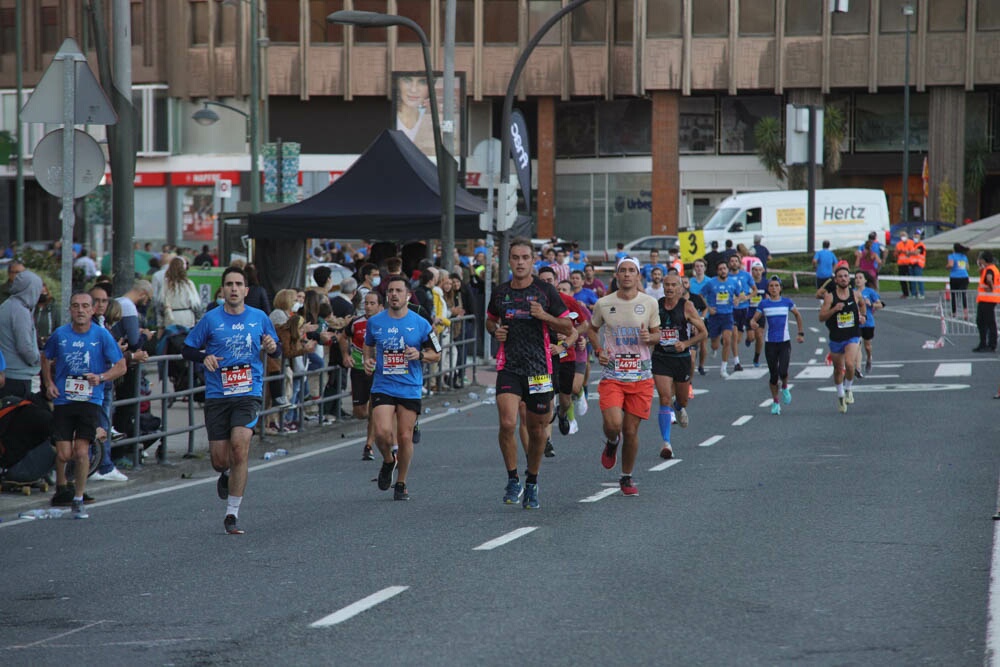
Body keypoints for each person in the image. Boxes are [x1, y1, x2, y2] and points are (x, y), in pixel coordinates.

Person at [182, 266, 281, 534]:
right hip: (217, 394)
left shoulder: (259, 317)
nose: (234, 288)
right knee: (219, 460)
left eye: (239, 284)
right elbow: (186, 348)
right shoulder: (211, 319)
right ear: (222, 290)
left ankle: (232, 514)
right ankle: (224, 474)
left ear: (246, 290)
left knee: (240, 447)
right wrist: (204, 356)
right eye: (229, 284)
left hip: (248, 392)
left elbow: (277, 347)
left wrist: (272, 347)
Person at [486, 238, 573, 510]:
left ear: (532, 260)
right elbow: (490, 319)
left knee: (537, 430)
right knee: (508, 423)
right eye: (515, 257)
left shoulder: (546, 291)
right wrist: (494, 330)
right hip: (510, 366)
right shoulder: (500, 292)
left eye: (525, 257)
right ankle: (513, 479)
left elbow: (568, 326)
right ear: (509, 260)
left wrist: (545, 316)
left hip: (539, 369)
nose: (520, 262)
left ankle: (532, 480)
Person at [42, 291, 127, 517]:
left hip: (90, 399)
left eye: (85, 306)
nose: (80, 310)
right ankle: (66, 487)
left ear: (92, 310)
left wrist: (101, 377)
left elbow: (121, 365)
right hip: (63, 399)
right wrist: (49, 382)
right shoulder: (60, 335)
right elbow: (46, 356)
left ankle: (78, 497)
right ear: (70, 310)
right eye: (76, 306)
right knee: (64, 454)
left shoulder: (101, 335)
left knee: (81, 452)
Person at [585, 257, 660, 496]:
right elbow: (591, 329)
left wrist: (651, 338)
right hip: (613, 375)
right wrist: (598, 350)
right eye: (623, 271)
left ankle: (626, 477)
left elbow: (657, 334)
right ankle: (611, 442)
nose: (627, 275)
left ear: (638, 276)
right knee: (614, 425)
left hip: (641, 376)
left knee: (630, 431)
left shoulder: (649, 303)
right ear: (616, 276)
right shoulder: (604, 303)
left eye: (631, 271)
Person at [363, 276, 441, 501]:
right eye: (390, 291)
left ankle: (401, 482)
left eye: (398, 291)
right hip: (383, 385)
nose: (394, 295)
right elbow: (368, 345)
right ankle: (389, 460)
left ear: (408, 295)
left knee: (405, 437)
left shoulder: (421, 323)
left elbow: (437, 354)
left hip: (409, 386)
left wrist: (420, 354)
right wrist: (367, 361)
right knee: (381, 432)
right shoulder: (375, 322)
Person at [652, 272, 706, 459]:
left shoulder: (687, 306)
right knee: (664, 398)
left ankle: (679, 406)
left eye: (673, 285)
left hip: (681, 358)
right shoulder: (656, 306)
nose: (669, 288)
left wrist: (686, 344)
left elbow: (703, 333)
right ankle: (666, 442)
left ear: (680, 288)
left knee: (681, 400)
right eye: (667, 285)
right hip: (661, 357)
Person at [749, 276, 805, 416]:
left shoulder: (787, 302)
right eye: (771, 286)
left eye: (776, 286)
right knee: (774, 375)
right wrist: (753, 324)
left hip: (784, 342)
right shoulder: (764, 304)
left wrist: (800, 333)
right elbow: (753, 319)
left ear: (780, 288)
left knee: (783, 371)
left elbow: (798, 315)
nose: (774, 288)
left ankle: (785, 387)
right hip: (770, 343)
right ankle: (775, 402)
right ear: (768, 288)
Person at [819, 265, 866, 413]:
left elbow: (863, 304)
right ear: (836, 279)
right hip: (836, 337)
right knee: (838, 369)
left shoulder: (856, 294)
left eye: (846, 276)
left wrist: (862, 316)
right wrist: (834, 309)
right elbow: (821, 317)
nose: (843, 278)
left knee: (850, 364)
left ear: (849, 278)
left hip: (852, 335)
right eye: (840, 276)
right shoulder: (830, 297)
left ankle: (848, 388)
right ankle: (840, 395)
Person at [345, 290, 383, 460]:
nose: (368, 306)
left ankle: (369, 445)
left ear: (380, 306)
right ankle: (382, 417)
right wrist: (346, 355)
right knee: (360, 412)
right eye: (366, 303)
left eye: (372, 303)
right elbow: (342, 337)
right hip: (359, 369)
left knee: (374, 408)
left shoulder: (387, 323)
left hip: (380, 371)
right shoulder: (356, 323)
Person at [0, 270, 43, 399]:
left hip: (7, 373)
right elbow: (24, 346)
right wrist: (37, 360)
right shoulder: (20, 311)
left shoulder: (6, 305)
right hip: (18, 377)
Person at [701, 260, 739, 377]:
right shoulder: (711, 283)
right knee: (714, 343)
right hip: (715, 316)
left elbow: (739, 294)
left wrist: (737, 300)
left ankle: (723, 368)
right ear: (717, 271)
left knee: (727, 340)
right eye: (720, 269)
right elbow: (701, 295)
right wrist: (708, 308)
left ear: (727, 270)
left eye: (724, 268)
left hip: (728, 315)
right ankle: (714, 348)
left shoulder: (733, 282)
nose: (723, 271)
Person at [160, 257, 204, 329]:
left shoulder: (165, 284)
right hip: (187, 318)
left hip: (170, 317)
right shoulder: (188, 284)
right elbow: (196, 304)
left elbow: (160, 304)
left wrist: (160, 324)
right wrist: (198, 320)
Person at [396, 74, 435, 155]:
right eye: (407, 80)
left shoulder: (430, 118)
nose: (413, 89)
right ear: (398, 84)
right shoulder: (388, 117)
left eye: (422, 82)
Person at [856, 270, 883, 376]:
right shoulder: (852, 292)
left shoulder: (870, 292)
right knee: (857, 345)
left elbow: (880, 305)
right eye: (856, 278)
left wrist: (871, 304)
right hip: (856, 322)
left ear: (865, 280)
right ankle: (858, 368)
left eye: (860, 278)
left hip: (868, 322)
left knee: (867, 346)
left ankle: (869, 358)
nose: (858, 280)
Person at [974, 251, 1000, 353]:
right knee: (984, 322)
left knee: (987, 322)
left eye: (980, 258)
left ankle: (990, 344)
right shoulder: (989, 269)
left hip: (987, 299)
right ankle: (984, 344)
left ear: (984, 260)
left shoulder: (989, 270)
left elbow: (989, 279)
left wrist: (990, 287)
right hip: (988, 299)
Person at [946, 243, 971, 320]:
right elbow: (967, 267)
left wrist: (946, 267)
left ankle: (954, 312)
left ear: (954, 249)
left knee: (953, 295)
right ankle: (965, 313)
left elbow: (950, 265)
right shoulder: (964, 257)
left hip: (955, 277)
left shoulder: (951, 256)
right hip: (964, 276)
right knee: (963, 294)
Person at [894, 231, 914, 298]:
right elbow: (895, 254)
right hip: (901, 264)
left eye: (904, 235)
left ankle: (913, 292)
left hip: (909, 263)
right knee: (902, 280)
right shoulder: (898, 244)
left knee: (911, 279)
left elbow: (913, 252)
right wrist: (898, 252)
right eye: (901, 236)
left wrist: (906, 252)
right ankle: (905, 293)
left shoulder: (911, 242)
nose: (903, 237)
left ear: (907, 236)